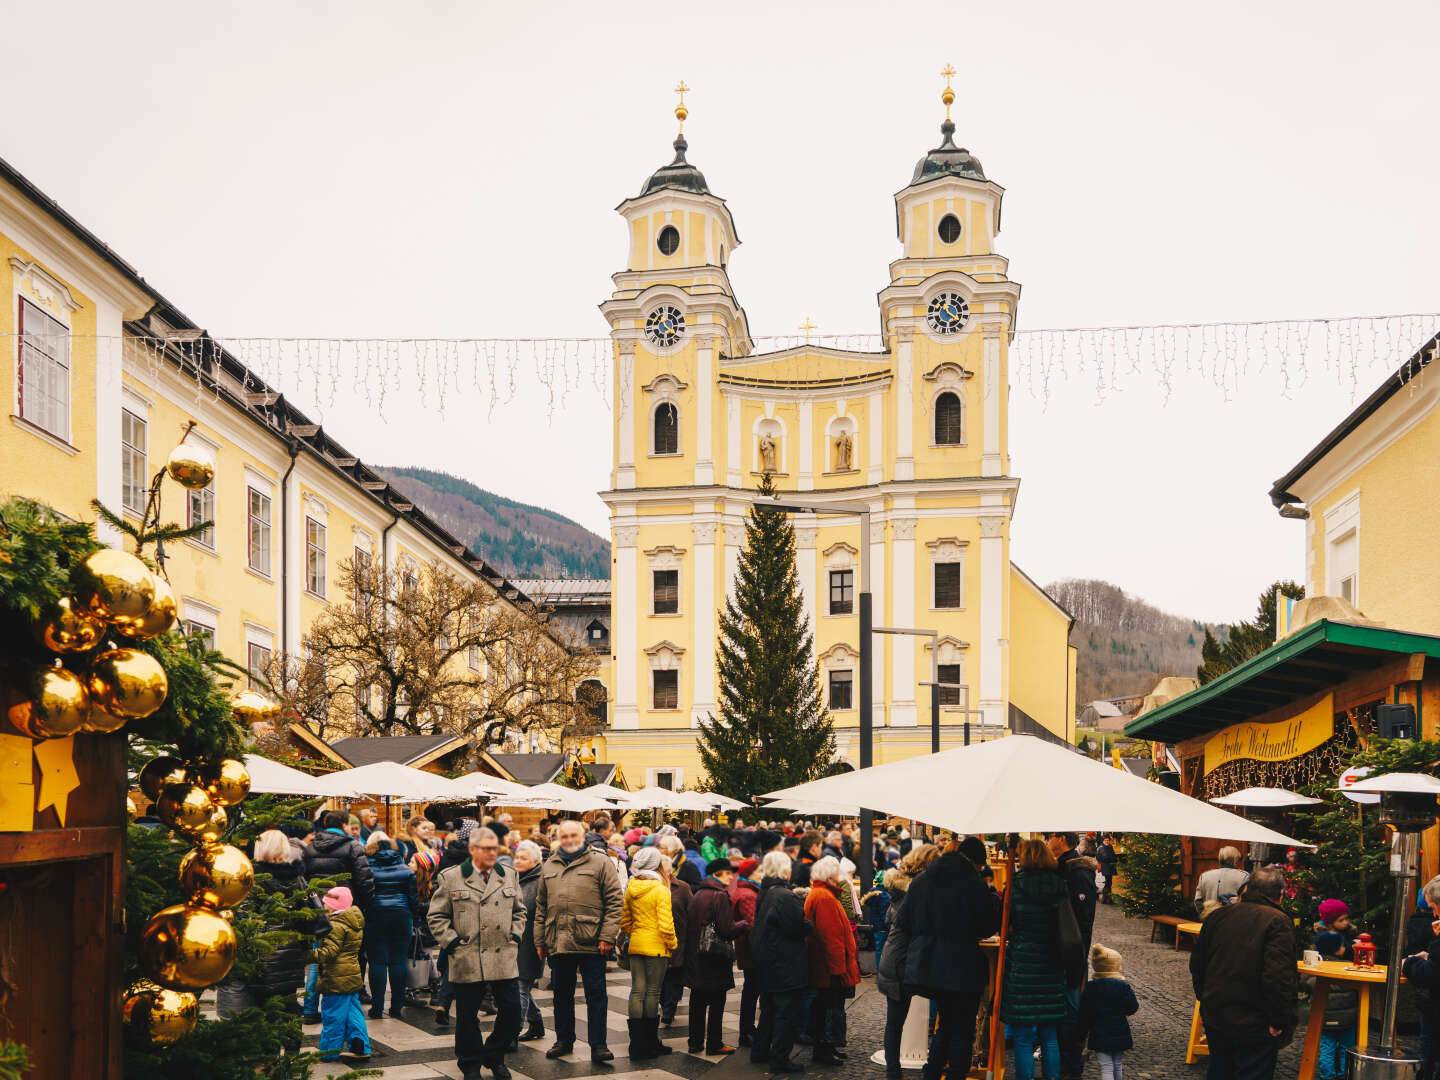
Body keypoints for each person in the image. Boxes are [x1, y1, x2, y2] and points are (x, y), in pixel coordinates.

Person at [428, 826, 527, 1080]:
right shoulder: (451, 877)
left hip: (502, 954)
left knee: (513, 1011)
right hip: (467, 955)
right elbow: (436, 916)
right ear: (472, 850)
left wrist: (515, 935)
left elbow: (519, 912)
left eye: (495, 848)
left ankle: (494, 1054)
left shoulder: (509, 875)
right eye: (486, 848)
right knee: (466, 1015)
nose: (491, 853)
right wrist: (452, 944)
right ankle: (470, 1063)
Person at [1190, 867, 1297, 1080]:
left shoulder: (1217, 916)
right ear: (1281, 895)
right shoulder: (1277, 920)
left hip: (1217, 1014)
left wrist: (1206, 1000)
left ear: (1246, 890)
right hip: (1254, 1021)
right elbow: (1278, 977)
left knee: (1219, 1071)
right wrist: (1279, 1020)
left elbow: (1198, 965)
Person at [534, 818, 624, 1064]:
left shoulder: (601, 862)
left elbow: (615, 902)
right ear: (558, 839)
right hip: (558, 940)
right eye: (564, 836)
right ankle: (564, 1040)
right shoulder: (549, 865)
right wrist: (539, 939)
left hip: (592, 941)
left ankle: (599, 1045)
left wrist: (607, 936)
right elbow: (541, 906)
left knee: (596, 995)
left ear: (583, 836)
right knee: (561, 995)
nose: (570, 840)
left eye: (574, 835)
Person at [1001, 838, 1073, 1080]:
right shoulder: (1059, 885)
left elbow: (1005, 923)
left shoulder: (1015, 884)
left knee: (1022, 1037)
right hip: (1051, 963)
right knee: (1049, 1035)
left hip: (1022, 964)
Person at [875, 846, 936, 1080]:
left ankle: (894, 1073)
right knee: (895, 1022)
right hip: (901, 963)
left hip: (896, 960)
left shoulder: (902, 889)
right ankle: (894, 1073)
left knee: (895, 1022)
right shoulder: (917, 892)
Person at [750, 850, 812, 1073]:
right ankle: (779, 1059)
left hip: (768, 960)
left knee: (768, 1010)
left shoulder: (766, 892)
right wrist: (809, 924)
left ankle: (759, 1051)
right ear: (784, 869)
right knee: (785, 1012)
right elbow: (796, 926)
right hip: (784, 962)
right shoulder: (784, 895)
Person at [621, 846, 678, 1060]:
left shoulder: (632, 885)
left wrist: (635, 933)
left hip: (636, 943)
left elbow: (625, 920)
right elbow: (666, 923)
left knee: (637, 991)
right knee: (653, 993)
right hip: (656, 947)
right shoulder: (660, 888)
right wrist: (672, 944)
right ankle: (650, 1042)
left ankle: (636, 1045)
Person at [685, 857, 746, 1056]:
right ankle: (714, 1043)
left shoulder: (699, 894)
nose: (731, 877)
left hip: (697, 953)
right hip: (715, 956)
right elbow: (726, 929)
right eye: (728, 873)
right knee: (717, 1000)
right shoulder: (719, 896)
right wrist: (743, 925)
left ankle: (694, 1042)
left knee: (698, 999)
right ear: (717, 874)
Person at [805, 856, 860, 1066]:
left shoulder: (821, 894)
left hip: (825, 964)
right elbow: (831, 936)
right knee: (828, 1007)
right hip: (829, 967)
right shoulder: (825, 897)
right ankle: (824, 1049)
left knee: (825, 1006)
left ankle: (827, 1047)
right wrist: (838, 968)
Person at [312, 886, 373, 1065]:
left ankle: (328, 1052)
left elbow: (328, 953)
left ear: (333, 907)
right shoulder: (353, 921)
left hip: (336, 979)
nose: (322, 906)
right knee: (354, 1013)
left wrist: (308, 955)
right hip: (351, 975)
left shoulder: (335, 926)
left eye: (325, 903)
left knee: (332, 1016)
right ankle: (360, 1046)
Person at [363, 830, 420, 1019]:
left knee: (377, 961)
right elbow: (413, 898)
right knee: (398, 960)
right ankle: (396, 1007)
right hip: (401, 916)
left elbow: (364, 895)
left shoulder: (368, 869)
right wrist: (413, 916)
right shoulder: (406, 870)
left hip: (375, 915)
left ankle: (377, 1008)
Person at [1075, 944, 1138, 1080]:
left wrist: (1080, 1035)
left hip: (1099, 1033)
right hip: (1120, 1031)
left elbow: (1085, 1015)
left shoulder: (1091, 988)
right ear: (1116, 968)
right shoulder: (1123, 987)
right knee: (1117, 1064)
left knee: (1106, 1066)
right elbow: (1133, 1007)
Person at [1314, 899, 1359, 1078]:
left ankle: (1328, 1075)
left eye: (1347, 919)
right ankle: (1343, 1074)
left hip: (1327, 1014)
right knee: (1344, 1047)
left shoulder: (1319, 962)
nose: (1346, 923)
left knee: (1327, 1047)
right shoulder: (1344, 961)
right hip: (1346, 1014)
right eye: (1342, 920)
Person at [512, 839, 546, 1044]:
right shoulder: (513, 877)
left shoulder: (541, 880)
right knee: (518, 985)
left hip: (531, 940)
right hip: (512, 939)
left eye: (523, 858)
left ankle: (511, 1034)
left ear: (535, 860)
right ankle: (536, 1022)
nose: (518, 861)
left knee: (520, 986)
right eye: (517, 856)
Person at [733, 856, 762, 1048]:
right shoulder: (748, 895)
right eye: (759, 871)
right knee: (752, 990)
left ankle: (748, 1029)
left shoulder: (746, 891)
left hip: (748, 949)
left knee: (751, 989)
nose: (762, 875)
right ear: (750, 874)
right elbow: (753, 926)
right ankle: (746, 1031)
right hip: (751, 951)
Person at [661, 852, 693, 1028]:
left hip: (679, 938)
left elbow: (691, 910)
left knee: (674, 976)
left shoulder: (682, 888)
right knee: (661, 978)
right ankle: (664, 1004)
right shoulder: (652, 886)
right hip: (657, 939)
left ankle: (669, 1010)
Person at [1194, 846, 1249, 918]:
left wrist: (1205, 916)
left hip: (1209, 920)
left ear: (1219, 858)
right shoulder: (1245, 876)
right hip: (1232, 920)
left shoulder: (1204, 876)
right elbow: (1246, 902)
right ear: (1236, 860)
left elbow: (1198, 901)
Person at [1097, 836, 1120, 904]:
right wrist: (1113, 859)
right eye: (1105, 840)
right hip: (1106, 867)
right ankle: (1105, 899)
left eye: (1108, 840)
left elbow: (1113, 855)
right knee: (1108, 883)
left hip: (1110, 867)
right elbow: (1105, 857)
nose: (1107, 841)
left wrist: (1115, 859)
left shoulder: (1110, 847)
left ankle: (1107, 899)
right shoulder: (1102, 848)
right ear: (1103, 841)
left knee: (1109, 883)